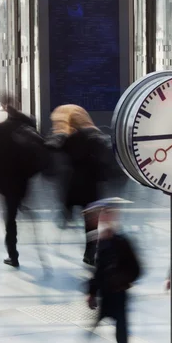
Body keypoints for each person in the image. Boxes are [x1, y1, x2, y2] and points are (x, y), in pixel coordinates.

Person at [87, 207, 141, 343]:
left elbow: (137, 269)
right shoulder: (100, 242)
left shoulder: (122, 242)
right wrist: (92, 292)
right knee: (100, 335)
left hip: (119, 296)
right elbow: (98, 270)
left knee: (122, 342)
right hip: (107, 296)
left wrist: (122, 282)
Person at [0, 95, 48, 267]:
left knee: (10, 219)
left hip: (7, 182)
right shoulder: (27, 125)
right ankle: (41, 254)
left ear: (5, 107)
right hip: (23, 180)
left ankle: (13, 255)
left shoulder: (2, 129)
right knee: (22, 211)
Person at [52, 105, 110, 265]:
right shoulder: (95, 138)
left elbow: (57, 149)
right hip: (91, 189)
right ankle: (89, 254)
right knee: (91, 227)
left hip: (74, 188)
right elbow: (102, 162)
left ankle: (66, 217)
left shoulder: (70, 140)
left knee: (73, 214)